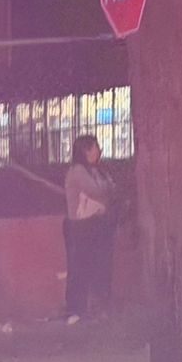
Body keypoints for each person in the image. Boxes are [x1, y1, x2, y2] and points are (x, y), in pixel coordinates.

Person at [62, 134, 117, 323]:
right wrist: (106, 189)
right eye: (95, 147)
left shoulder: (96, 171)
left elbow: (111, 188)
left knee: (98, 266)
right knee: (79, 268)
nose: (99, 150)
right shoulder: (78, 171)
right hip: (79, 226)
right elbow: (97, 190)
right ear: (86, 151)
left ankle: (95, 308)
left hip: (96, 225)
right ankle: (74, 310)